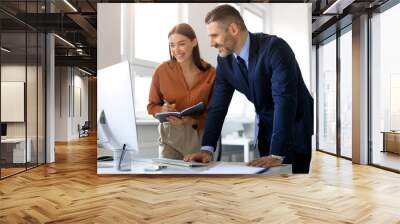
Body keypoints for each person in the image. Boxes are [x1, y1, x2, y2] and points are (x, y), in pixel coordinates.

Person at [183, 5, 314, 173]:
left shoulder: (275, 49)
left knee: (294, 185)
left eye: (214, 35)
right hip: (267, 126)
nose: (211, 43)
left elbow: (284, 100)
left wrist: (277, 153)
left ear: (233, 29)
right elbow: (217, 106)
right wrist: (206, 149)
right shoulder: (225, 61)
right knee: (269, 186)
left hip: (294, 125)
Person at [147, 23, 216, 160]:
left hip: (199, 139)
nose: (176, 50)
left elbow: (215, 113)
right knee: (169, 179)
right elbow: (151, 106)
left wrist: (191, 120)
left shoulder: (211, 73)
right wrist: (162, 109)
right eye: (172, 45)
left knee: (198, 180)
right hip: (170, 139)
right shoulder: (162, 71)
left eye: (181, 44)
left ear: (194, 42)